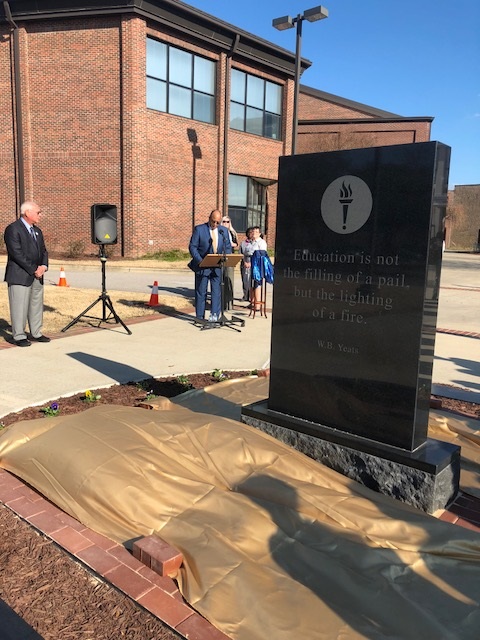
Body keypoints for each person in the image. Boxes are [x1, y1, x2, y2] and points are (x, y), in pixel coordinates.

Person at [3, 201, 50, 346]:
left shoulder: (37, 231)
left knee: (36, 305)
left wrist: (43, 266)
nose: (40, 215)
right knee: (19, 306)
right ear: (28, 213)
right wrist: (33, 269)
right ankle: (19, 336)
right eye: (38, 212)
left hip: (37, 275)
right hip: (20, 275)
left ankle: (36, 333)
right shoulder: (13, 229)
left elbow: (43, 251)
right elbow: (16, 253)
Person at [188, 209, 232, 322]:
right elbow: (192, 247)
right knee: (201, 292)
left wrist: (226, 257)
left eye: (218, 222)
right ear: (209, 219)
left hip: (217, 266)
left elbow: (227, 247)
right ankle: (199, 317)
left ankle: (215, 315)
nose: (215, 224)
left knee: (216, 292)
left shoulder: (223, 231)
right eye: (213, 222)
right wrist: (200, 261)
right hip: (202, 266)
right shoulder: (199, 229)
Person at [240, 226, 267, 308]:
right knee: (250, 284)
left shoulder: (261, 242)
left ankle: (257, 305)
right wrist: (245, 261)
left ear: (259, 233)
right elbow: (245, 253)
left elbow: (261, 255)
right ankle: (251, 302)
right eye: (253, 232)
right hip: (247, 264)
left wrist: (252, 263)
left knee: (256, 284)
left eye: (256, 232)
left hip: (256, 266)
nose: (254, 233)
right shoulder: (251, 242)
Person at [221, 216, 238, 308]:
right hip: (221, 257)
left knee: (229, 279)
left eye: (227, 222)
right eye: (224, 221)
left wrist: (231, 244)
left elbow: (236, 243)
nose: (225, 223)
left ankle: (229, 303)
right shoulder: (219, 231)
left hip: (230, 256)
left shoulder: (232, 232)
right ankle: (222, 302)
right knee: (221, 280)